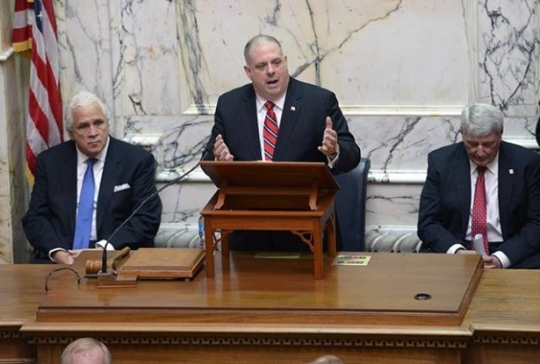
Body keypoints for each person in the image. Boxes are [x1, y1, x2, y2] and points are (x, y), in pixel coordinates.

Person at [202, 34, 361, 251]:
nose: (271, 71)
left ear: (285, 62)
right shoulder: (230, 105)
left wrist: (334, 151)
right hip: (248, 236)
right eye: (261, 65)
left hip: (306, 235)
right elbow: (210, 157)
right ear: (248, 72)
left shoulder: (319, 102)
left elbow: (352, 154)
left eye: (276, 62)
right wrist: (222, 163)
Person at [22, 90, 162, 264]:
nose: (93, 132)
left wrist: (102, 250)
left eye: (98, 123)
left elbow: (146, 218)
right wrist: (58, 253)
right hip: (62, 256)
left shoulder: (136, 161)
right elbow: (35, 218)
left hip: (114, 255)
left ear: (107, 124)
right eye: (83, 126)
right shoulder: (50, 163)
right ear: (71, 133)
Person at [418, 103, 540, 269]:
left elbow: (536, 224)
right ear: (462, 134)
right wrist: (457, 252)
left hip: (509, 250)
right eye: (472, 144)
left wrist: (500, 258)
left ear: (500, 134)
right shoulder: (441, 162)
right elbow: (427, 223)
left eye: (488, 144)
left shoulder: (527, 164)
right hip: (458, 247)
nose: (480, 151)